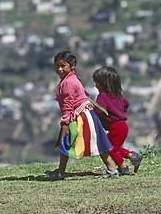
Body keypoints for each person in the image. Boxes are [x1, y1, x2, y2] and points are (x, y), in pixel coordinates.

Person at [45, 51, 119, 180]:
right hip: (84, 114)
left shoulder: (68, 82)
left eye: (63, 65)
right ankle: (111, 169)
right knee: (97, 142)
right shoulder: (71, 79)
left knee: (67, 142)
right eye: (57, 66)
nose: (59, 69)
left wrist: (65, 123)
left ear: (72, 66)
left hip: (82, 117)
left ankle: (61, 172)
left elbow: (68, 103)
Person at [92, 66, 143, 175]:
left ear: (103, 83)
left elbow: (99, 110)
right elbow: (126, 104)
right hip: (123, 125)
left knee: (109, 148)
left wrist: (92, 110)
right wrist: (119, 113)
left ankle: (123, 167)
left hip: (115, 126)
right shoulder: (117, 96)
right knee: (115, 148)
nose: (96, 86)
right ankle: (132, 156)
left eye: (97, 83)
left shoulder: (102, 96)